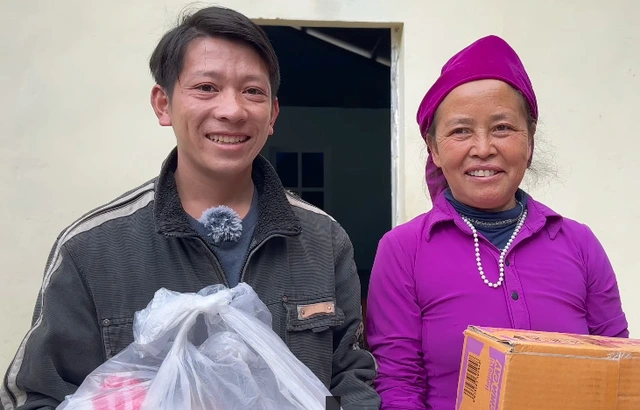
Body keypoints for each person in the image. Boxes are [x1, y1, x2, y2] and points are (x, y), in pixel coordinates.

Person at [0, 6, 380, 410]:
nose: (231, 110)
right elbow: (36, 397)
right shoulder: (92, 250)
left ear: (273, 114)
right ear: (163, 104)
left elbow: (352, 377)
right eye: (206, 87)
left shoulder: (323, 240)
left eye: (253, 91)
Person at [365, 35, 629, 410]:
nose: (484, 147)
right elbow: (397, 384)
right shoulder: (403, 250)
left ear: (530, 140)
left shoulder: (579, 244)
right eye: (461, 131)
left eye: (502, 127)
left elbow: (618, 370)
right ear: (434, 149)